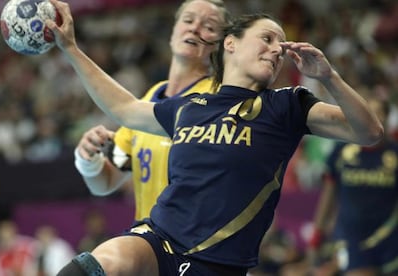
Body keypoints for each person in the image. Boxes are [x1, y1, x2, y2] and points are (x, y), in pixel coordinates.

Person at [48, 0, 384, 273]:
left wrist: (329, 77)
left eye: (281, 48)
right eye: (267, 39)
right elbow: (124, 114)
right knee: (93, 266)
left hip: (218, 263)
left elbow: (368, 131)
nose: (275, 50)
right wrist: (71, 48)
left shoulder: (285, 104)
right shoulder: (185, 106)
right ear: (231, 44)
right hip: (159, 240)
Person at [74, 0, 231, 222]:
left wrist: (71, 49)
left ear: (220, 45)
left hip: (195, 245)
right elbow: (108, 180)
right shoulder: (150, 97)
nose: (195, 28)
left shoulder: (218, 97)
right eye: (188, 20)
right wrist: (88, 160)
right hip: (149, 243)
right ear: (173, 32)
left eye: (209, 26)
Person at [309, 97, 398, 276]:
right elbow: (328, 195)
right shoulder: (341, 153)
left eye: (379, 113)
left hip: (390, 236)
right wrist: (317, 235)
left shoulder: (395, 154)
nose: (374, 118)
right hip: (352, 237)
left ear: (388, 118)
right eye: (369, 113)